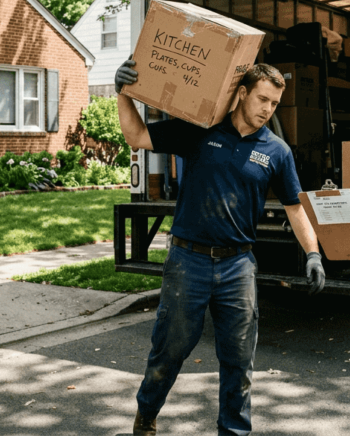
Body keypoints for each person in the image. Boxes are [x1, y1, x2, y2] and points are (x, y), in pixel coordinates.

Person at [115, 59, 325, 436]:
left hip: (237, 266)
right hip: (187, 261)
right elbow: (137, 137)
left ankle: (234, 432)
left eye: (274, 104)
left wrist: (313, 252)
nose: (267, 110)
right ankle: (146, 412)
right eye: (262, 99)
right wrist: (122, 94)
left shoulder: (276, 151)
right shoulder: (199, 129)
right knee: (169, 350)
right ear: (242, 93)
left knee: (239, 361)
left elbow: (296, 208)